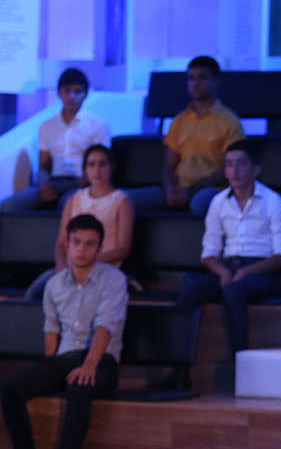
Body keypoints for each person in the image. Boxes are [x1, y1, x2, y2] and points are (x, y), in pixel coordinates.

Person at [0, 214, 127, 449]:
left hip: (102, 360)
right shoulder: (54, 284)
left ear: (99, 248)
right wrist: (47, 371)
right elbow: (51, 331)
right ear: (67, 245)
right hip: (65, 358)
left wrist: (90, 365)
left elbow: (106, 325)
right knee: (9, 389)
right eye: (77, 242)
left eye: (90, 244)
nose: (82, 249)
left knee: (79, 386)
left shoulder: (113, 280)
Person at [175, 138, 281, 358]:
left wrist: (246, 271)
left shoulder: (272, 201)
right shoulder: (218, 201)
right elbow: (209, 253)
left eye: (241, 163)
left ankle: (239, 363)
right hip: (228, 267)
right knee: (190, 289)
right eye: (229, 164)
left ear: (256, 169)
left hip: (263, 271)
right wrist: (222, 271)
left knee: (233, 291)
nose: (234, 170)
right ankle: (178, 364)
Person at [127, 56, 244, 216]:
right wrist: (170, 189)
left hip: (211, 190)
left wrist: (192, 190)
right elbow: (169, 165)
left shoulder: (229, 121)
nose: (195, 84)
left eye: (202, 77)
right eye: (191, 78)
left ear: (216, 81)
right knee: (123, 199)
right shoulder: (179, 121)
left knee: (199, 203)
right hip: (179, 189)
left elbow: (230, 169)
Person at [25, 143, 133, 301]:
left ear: (111, 167)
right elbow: (61, 242)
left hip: (102, 269)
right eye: (91, 164)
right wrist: (61, 266)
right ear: (85, 170)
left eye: (102, 164)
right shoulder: (73, 199)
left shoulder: (121, 202)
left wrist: (87, 263)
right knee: (34, 294)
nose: (97, 170)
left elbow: (123, 248)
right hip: (70, 268)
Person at [2, 69, 109, 213]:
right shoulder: (46, 126)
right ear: (59, 93)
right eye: (67, 91)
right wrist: (42, 184)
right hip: (54, 182)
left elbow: (102, 164)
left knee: (66, 204)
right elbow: (43, 165)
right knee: (10, 205)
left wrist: (86, 181)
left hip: (83, 182)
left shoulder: (97, 125)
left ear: (85, 94)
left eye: (77, 91)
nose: (71, 96)